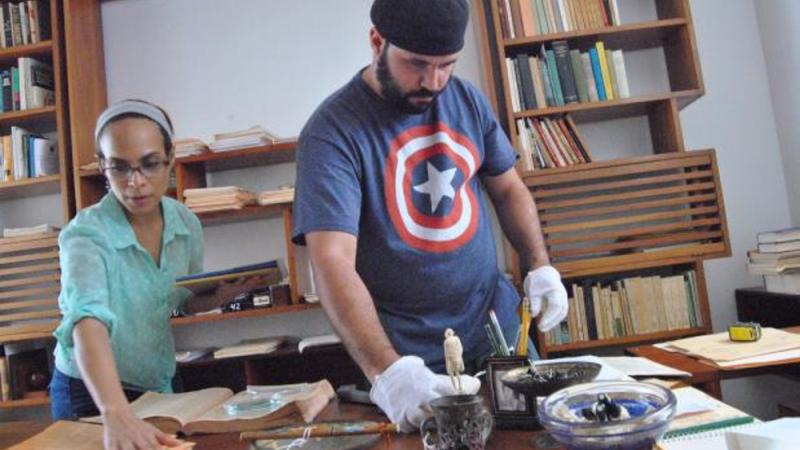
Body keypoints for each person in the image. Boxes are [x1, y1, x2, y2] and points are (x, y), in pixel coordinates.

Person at [292, 0, 569, 432]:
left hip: (496, 324)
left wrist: (540, 264)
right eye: (416, 63)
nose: (432, 81)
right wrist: (389, 372)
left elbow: (509, 187)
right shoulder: (331, 133)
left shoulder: (466, 100)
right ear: (376, 42)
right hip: (407, 352)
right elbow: (331, 261)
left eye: (446, 65)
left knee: (538, 436)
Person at [50, 99, 260, 450]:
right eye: (119, 168)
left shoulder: (185, 223)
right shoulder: (85, 235)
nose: (136, 182)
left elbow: (176, 301)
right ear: (103, 166)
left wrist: (217, 298)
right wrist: (114, 412)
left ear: (170, 159)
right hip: (92, 391)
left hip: (158, 382)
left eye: (149, 164)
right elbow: (87, 322)